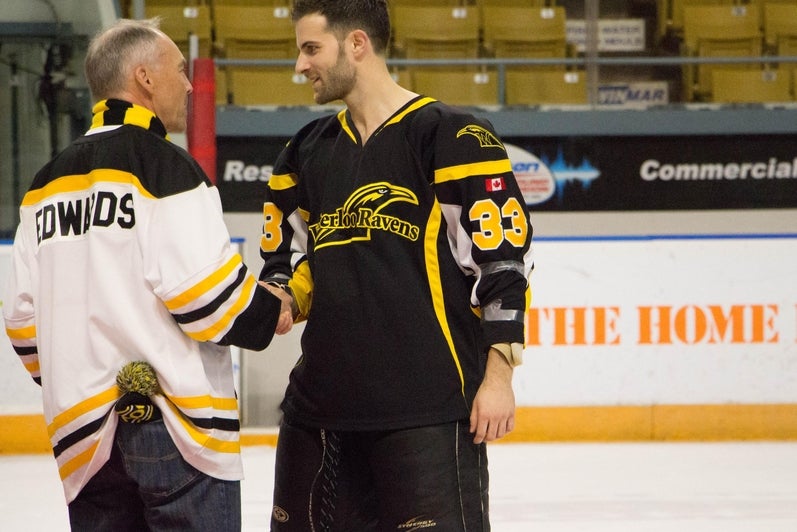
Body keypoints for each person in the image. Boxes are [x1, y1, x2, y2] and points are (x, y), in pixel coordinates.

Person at [3, 18, 293, 531]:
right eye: (179, 70)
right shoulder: (166, 167)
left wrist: (77, 378)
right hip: (175, 431)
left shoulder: (43, 185)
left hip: (83, 439)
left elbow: (23, 321)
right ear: (144, 78)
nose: (187, 84)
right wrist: (271, 308)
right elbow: (209, 302)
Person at [257, 1, 534, 530]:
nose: (299, 65)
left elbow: (503, 264)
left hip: (427, 415)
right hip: (317, 419)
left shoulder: (453, 136)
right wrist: (279, 299)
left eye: (311, 48)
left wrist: (498, 375)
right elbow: (285, 265)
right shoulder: (303, 152)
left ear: (356, 44)